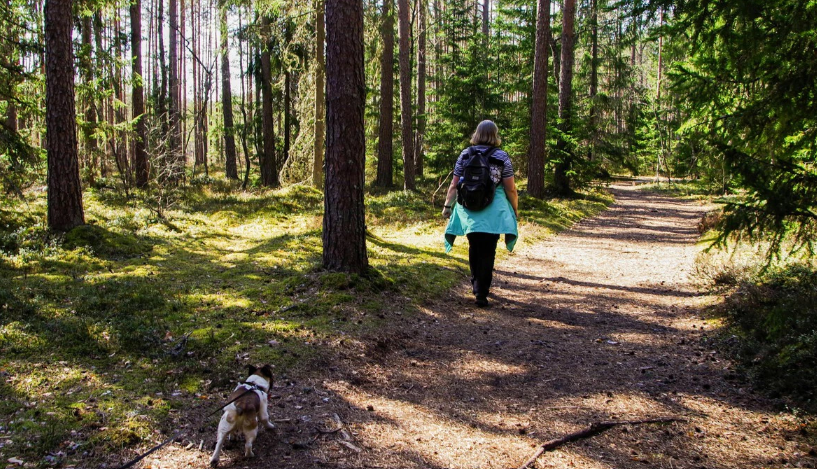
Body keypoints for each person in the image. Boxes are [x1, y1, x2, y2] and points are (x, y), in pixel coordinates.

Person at [442, 120, 518, 307]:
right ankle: (482, 292)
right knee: (488, 250)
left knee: (474, 246)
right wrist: (514, 209)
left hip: (469, 208)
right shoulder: (502, 157)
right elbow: (510, 189)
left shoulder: (465, 154)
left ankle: (476, 286)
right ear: (495, 134)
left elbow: (454, 184)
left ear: (477, 133)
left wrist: (447, 206)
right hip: (494, 210)